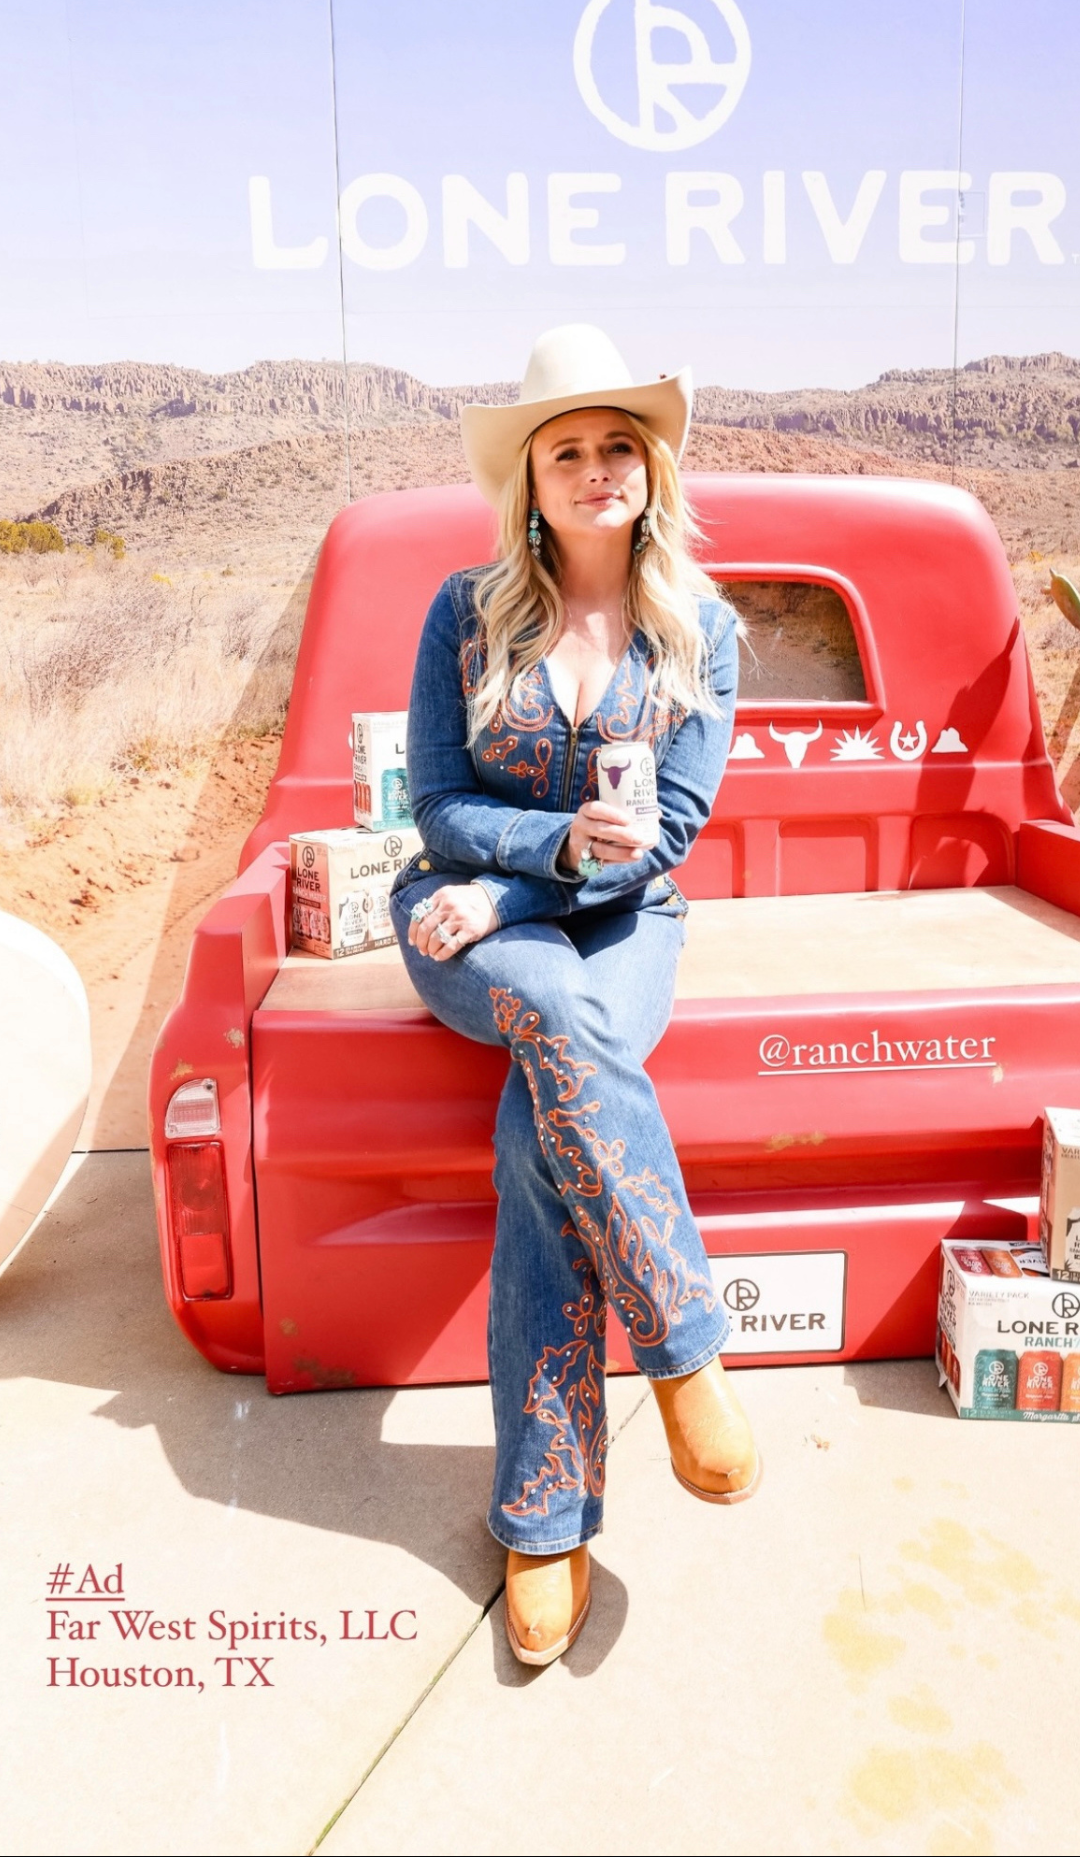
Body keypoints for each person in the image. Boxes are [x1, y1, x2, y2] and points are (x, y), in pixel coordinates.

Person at [390, 324, 760, 1668]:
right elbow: (439, 804)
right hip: (458, 916)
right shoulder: (465, 612)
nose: (597, 468)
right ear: (530, 484)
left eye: (619, 447)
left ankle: (545, 1516)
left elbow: (671, 832)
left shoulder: (703, 632)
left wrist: (532, 890)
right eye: (567, 453)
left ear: (652, 471)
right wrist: (527, 871)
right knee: (552, 1011)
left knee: (543, 1130)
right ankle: (687, 1355)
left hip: (621, 922)